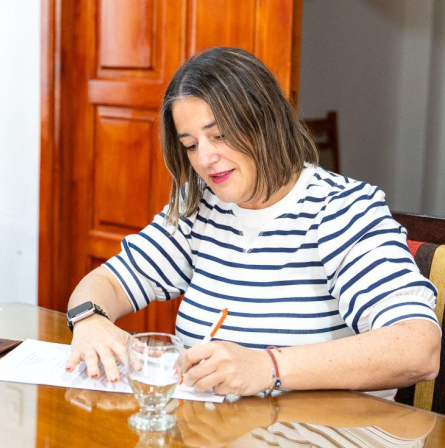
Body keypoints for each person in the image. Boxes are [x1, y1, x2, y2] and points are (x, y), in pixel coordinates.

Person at [65, 47, 440, 399]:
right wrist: (89, 319)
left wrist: (269, 366)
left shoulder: (341, 210)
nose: (206, 159)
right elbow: (109, 281)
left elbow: (417, 348)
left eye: (220, 135)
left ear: (266, 122)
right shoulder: (201, 205)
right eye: (191, 145)